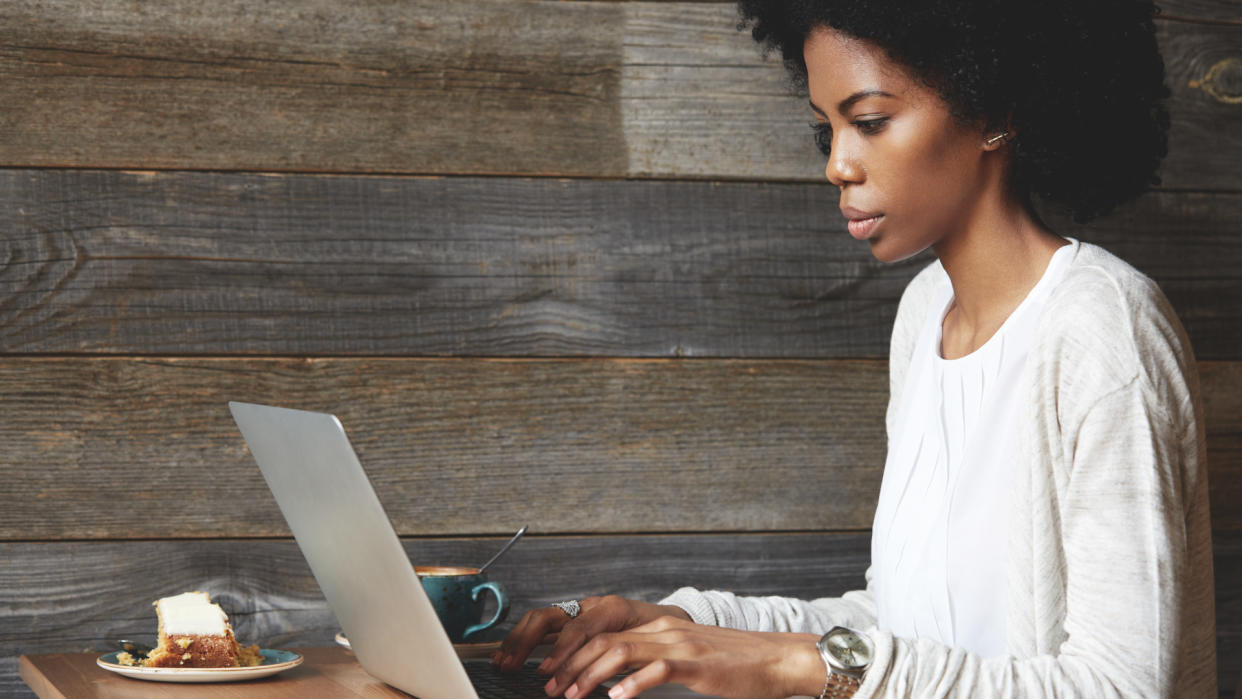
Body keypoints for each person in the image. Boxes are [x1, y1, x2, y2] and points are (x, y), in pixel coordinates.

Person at [493, 0, 1217, 696]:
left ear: (995, 110)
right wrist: (680, 623)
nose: (838, 164)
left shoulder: (1103, 328)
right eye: (826, 130)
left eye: (869, 121)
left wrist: (792, 666)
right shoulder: (924, 314)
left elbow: (1118, 685)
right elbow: (902, 631)